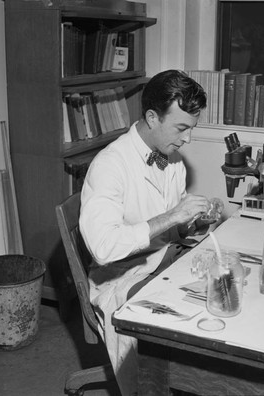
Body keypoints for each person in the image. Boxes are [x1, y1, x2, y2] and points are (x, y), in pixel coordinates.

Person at [79, 69, 217, 395]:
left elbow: (172, 225)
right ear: (152, 117)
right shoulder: (110, 164)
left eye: (191, 128)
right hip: (121, 272)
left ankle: (196, 378)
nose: (188, 139)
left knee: (223, 284)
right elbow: (103, 247)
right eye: (182, 128)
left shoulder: (173, 160)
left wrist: (193, 221)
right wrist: (172, 216)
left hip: (162, 257)